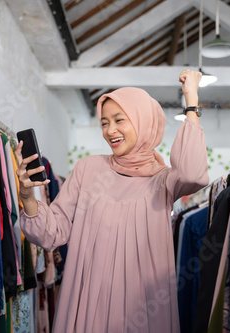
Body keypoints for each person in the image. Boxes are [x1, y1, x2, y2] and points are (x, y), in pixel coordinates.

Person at [16, 69, 209, 332]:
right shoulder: (87, 170)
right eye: (105, 123)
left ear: (144, 122)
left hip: (143, 310)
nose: (110, 131)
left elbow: (193, 173)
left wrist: (191, 99)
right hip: (86, 308)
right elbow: (51, 233)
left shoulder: (164, 181)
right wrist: (28, 196)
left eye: (120, 120)